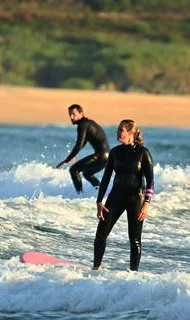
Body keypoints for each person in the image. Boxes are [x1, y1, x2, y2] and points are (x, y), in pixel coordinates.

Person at [94, 119, 154, 271]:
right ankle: (96, 268)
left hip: (136, 199)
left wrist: (147, 202)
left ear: (130, 132)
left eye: (120, 130)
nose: (117, 133)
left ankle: (133, 274)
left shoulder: (143, 153)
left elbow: (151, 180)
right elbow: (106, 177)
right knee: (100, 235)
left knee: (134, 240)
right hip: (116, 197)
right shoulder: (115, 152)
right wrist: (99, 201)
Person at [55, 104, 109, 194]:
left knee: (73, 170)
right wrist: (74, 155)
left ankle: (79, 195)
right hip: (106, 156)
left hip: (100, 156)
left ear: (81, 113)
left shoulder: (83, 125)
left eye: (73, 114)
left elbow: (79, 145)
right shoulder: (88, 123)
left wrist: (66, 161)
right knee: (87, 174)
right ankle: (101, 193)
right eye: (70, 114)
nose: (71, 117)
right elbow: (83, 142)